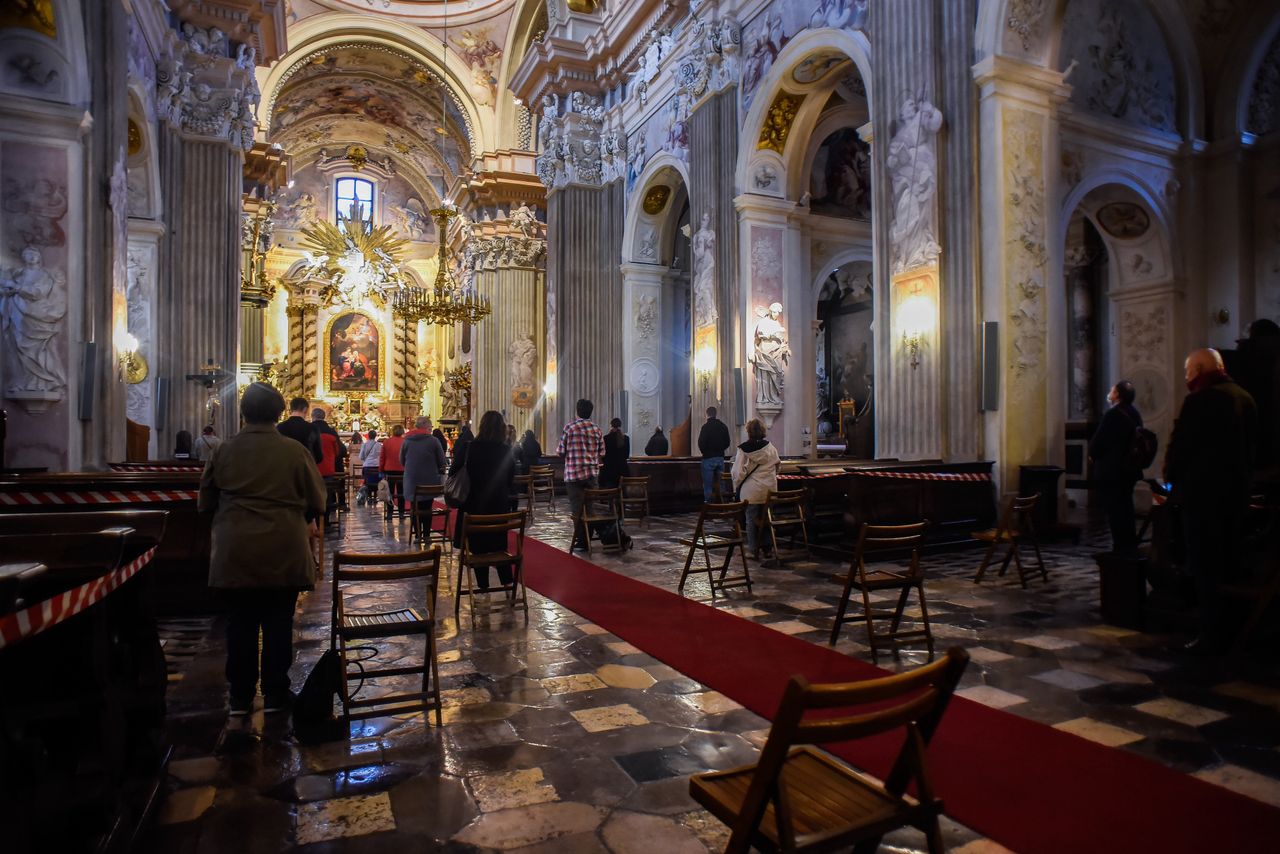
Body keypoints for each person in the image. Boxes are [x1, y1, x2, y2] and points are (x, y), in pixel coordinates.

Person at [198, 382, 325, 716]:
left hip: (235, 549)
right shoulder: (294, 452)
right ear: (279, 413)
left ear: (243, 412)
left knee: (239, 623)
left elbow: (205, 502)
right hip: (283, 547)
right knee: (279, 622)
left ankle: (240, 697)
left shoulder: (222, 450)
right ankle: (274, 693)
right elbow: (318, 500)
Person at [1163, 348, 1258, 653]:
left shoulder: (1201, 400)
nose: (1187, 378)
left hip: (1203, 498)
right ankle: (1234, 630)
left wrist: (1171, 478)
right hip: (1237, 496)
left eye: (1189, 371)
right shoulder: (1245, 397)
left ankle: (1211, 635)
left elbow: (1181, 450)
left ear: (1201, 369)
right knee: (1230, 562)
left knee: (1205, 567)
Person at [452, 410, 516, 590]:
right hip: (497, 505)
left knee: (477, 546)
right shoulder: (506, 450)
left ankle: (483, 585)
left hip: (473, 505)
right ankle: (507, 582)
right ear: (501, 428)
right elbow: (511, 478)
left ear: (481, 426)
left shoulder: (469, 447)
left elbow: (453, 472)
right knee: (498, 545)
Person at [1089, 380, 1144, 554]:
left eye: (1112, 390)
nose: (1110, 393)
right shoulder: (1135, 413)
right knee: (1126, 508)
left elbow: (1097, 443)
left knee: (1115, 511)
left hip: (1112, 472)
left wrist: (1093, 454)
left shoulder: (1113, 415)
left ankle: (1120, 547)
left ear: (1117, 395)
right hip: (1130, 470)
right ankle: (1129, 545)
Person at [558, 398, 604, 551]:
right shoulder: (597, 429)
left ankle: (583, 541)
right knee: (589, 508)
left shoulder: (569, 428)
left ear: (577, 411)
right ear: (591, 411)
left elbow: (560, 451)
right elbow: (602, 452)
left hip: (574, 475)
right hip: (591, 474)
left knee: (577, 509)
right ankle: (588, 538)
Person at [731, 418, 782, 556]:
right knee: (766, 519)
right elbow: (777, 466)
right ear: (763, 431)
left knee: (751, 520)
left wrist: (736, 485)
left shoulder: (744, 449)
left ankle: (753, 549)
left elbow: (737, 472)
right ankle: (768, 549)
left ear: (748, 431)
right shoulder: (770, 448)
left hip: (751, 491)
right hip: (769, 490)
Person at [402, 415, 447, 516]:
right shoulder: (434, 441)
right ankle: (426, 531)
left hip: (412, 481)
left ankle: (416, 530)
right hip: (429, 482)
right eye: (430, 428)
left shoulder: (406, 441)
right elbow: (442, 461)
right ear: (427, 428)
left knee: (414, 508)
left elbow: (402, 460)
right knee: (427, 508)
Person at [697, 406, 732, 502]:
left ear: (707, 414)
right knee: (722, 483)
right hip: (720, 458)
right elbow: (727, 442)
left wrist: (705, 452)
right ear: (716, 414)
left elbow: (701, 443)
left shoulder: (705, 427)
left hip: (708, 458)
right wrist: (720, 450)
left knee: (708, 485)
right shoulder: (723, 426)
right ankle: (723, 504)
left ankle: (709, 505)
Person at [278, 397, 323, 463]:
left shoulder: (280, 427)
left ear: (290, 409)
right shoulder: (312, 428)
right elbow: (319, 456)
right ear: (305, 409)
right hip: (306, 467)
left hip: (285, 468)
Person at [380, 424, 407, 513]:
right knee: (401, 492)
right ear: (402, 432)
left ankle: (390, 512)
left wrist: (381, 470)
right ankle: (401, 512)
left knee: (389, 492)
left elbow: (382, 457)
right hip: (402, 469)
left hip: (389, 469)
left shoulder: (386, 442)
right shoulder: (405, 442)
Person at [600, 418, 631, 488]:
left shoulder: (606, 438)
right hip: (622, 470)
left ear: (611, 426)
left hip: (609, 470)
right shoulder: (626, 438)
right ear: (620, 426)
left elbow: (603, 455)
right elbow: (627, 455)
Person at [356, 428, 382, 505]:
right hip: (377, 466)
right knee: (376, 481)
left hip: (367, 466)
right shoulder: (379, 445)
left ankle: (369, 497)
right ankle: (375, 497)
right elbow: (381, 456)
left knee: (367, 482)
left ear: (368, 436)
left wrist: (366, 459)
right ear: (375, 436)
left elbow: (361, 456)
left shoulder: (365, 445)